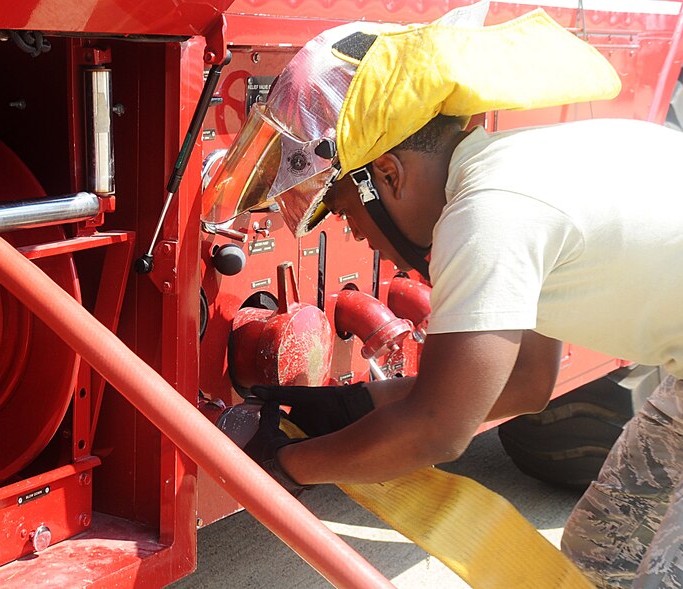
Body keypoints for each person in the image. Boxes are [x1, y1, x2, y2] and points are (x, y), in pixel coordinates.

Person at [207, 5, 683, 588]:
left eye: (345, 210)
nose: (355, 234)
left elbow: (439, 429)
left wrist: (285, 466)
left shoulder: (489, 211)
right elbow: (527, 383)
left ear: (388, 175)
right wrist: (359, 406)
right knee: (605, 551)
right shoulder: (512, 171)